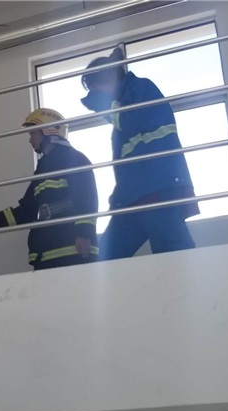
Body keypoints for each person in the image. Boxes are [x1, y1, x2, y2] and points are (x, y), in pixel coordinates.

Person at [80, 48, 199, 260]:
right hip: (132, 197)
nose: (96, 95)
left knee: (175, 257)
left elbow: (132, 121)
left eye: (96, 89)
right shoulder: (121, 108)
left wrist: (105, 106)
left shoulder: (142, 89)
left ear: (109, 78)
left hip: (160, 190)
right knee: (105, 259)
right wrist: (118, 199)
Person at [0, 108, 99, 271]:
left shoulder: (74, 159)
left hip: (71, 250)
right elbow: (29, 209)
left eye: (32, 133)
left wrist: (84, 234)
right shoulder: (43, 167)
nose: (30, 140)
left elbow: (87, 198)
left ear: (48, 131)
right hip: (47, 253)